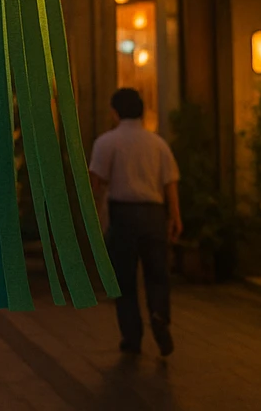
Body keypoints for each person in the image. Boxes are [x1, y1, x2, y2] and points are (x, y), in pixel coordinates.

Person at [88, 87, 182, 357]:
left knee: (124, 280)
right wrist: (175, 216)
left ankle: (132, 337)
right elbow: (170, 182)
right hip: (154, 214)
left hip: (124, 215)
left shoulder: (107, 142)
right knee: (158, 274)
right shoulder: (158, 143)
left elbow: (97, 182)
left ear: (115, 112)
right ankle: (159, 314)